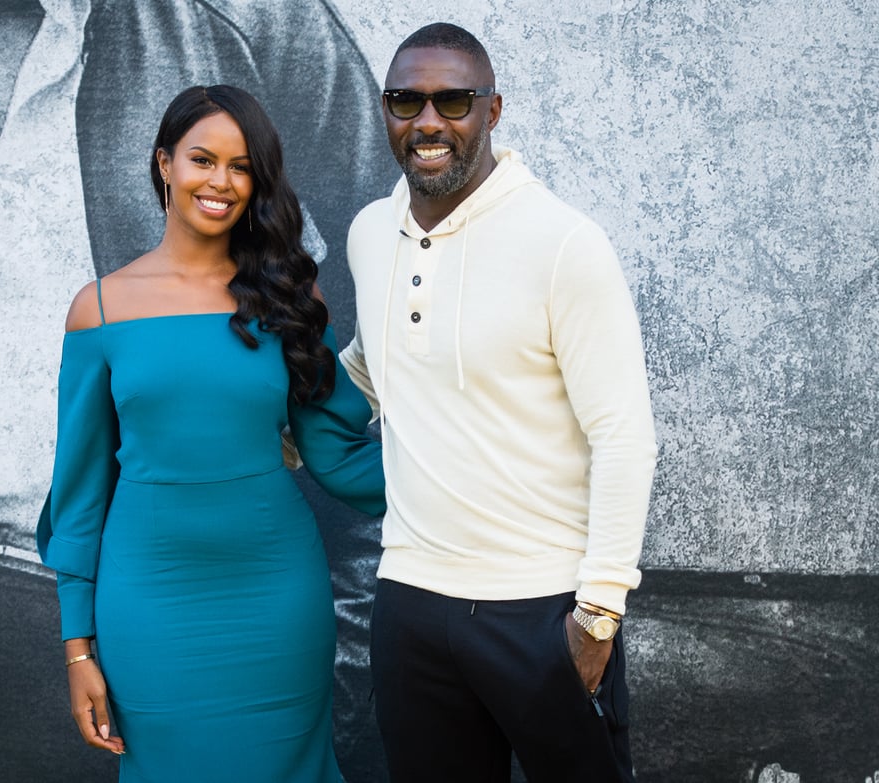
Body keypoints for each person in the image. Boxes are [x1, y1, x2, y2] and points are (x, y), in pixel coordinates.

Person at [36, 84, 385, 782]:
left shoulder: (289, 299)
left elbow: (340, 456)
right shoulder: (98, 310)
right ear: (165, 163)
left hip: (278, 601)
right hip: (147, 606)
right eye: (203, 159)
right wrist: (79, 649)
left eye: (242, 165)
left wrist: (472, 473)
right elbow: (78, 499)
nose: (221, 181)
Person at [339, 23, 658, 782]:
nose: (427, 121)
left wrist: (597, 616)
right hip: (410, 600)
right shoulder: (368, 236)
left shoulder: (562, 243)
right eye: (405, 101)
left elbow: (624, 436)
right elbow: (370, 362)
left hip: (541, 608)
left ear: (493, 110)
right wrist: (283, 418)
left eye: (453, 100)